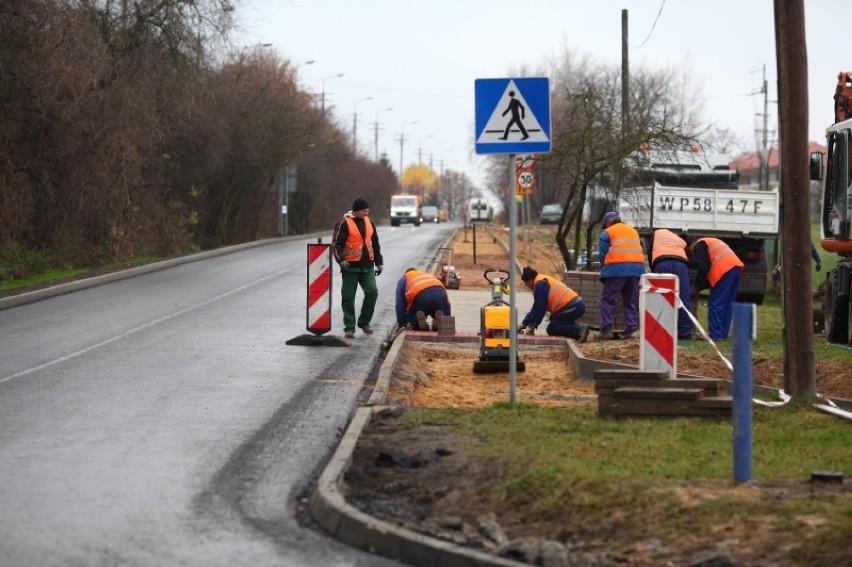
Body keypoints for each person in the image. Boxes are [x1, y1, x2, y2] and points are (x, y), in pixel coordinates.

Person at [333, 197, 383, 339]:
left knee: (372, 292)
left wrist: (379, 262)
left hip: (367, 267)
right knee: (348, 298)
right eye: (364, 211)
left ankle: (364, 322)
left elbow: (375, 244)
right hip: (350, 268)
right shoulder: (344, 223)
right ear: (356, 211)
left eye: (367, 211)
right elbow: (337, 245)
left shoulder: (369, 222)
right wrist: (341, 260)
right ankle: (349, 327)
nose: (366, 214)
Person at [595, 212, 645, 340]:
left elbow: (603, 255)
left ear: (607, 223)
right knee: (630, 300)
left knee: (607, 298)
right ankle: (631, 329)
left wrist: (604, 272)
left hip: (616, 268)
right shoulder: (633, 231)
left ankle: (606, 330)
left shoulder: (607, 232)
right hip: (636, 269)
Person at [688, 237, 744, 340]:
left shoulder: (698, 245)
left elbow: (704, 267)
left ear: (691, 246)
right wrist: (701, 285)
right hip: (735, 268)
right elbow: (708, 267)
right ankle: (722, 334)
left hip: (724, 269)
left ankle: (716, 334)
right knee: (727, 304)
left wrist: (696, 287)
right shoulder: (710, 242)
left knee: (716, 303)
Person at [518, 267, 589, 341]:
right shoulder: (541, 280)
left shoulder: (540, 284)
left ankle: (579, 329)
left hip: (572, 307)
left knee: (552, 329)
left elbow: (540, 308)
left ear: (530, 280)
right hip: (574, 305)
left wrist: (531, 325)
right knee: (555, 323)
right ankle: (579, 334)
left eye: (526, 282)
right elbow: (536, 308)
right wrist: (524, 323)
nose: (526, 285)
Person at [650, 228, 694, 340]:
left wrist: (653, 270)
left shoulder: (656, 234)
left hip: (661, 262)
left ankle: (662, 330)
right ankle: (684, 333)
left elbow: (650, 252)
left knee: (662, 298)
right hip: (681, 264)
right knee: (683, 298)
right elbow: (689, 255)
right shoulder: (679, 240)